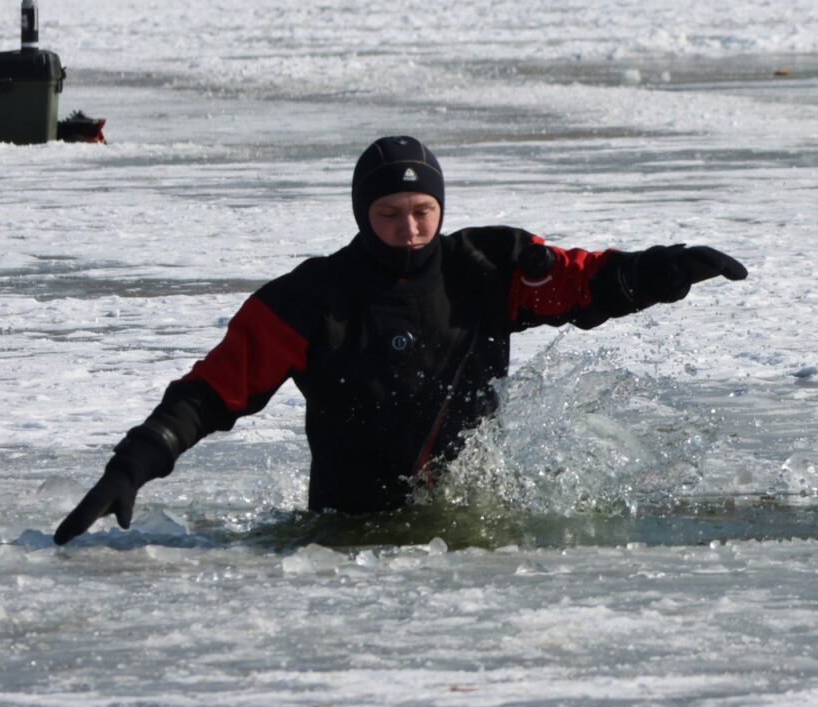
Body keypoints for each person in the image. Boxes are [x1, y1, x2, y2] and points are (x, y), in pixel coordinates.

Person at [54, 136, 747, 544]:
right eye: (390, 214)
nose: (409, 229)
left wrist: (663, 269)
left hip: (467, 527)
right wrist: (133, 464)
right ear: (363, 214)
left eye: (423, 212)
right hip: (345, 535)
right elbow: (214, 389)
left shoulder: (487, 267)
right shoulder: (312, 298)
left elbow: (585, 283)